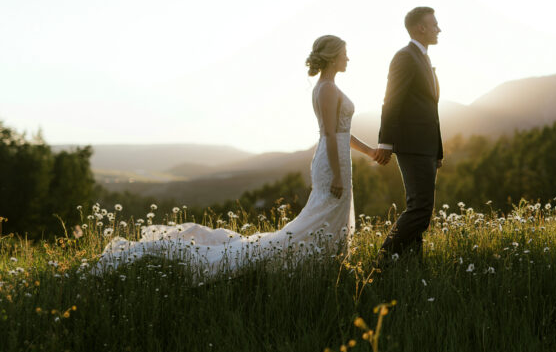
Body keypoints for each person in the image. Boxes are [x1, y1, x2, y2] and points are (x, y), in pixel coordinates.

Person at [93, 35, 375, 277]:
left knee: (330, 211)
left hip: (338, 157)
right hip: (332, 161)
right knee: (321, 213)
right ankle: (307, 260)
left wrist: (370, 151)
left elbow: (343, 133)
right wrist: (337, 174)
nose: (348, 59)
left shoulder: (331, 88)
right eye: (344, 54)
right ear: (332, 57)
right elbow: (328, 134)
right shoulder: (326, 89)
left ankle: (328, 261)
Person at [374, 6, 443, 262]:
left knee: (422, 209)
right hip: (412, 145)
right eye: (434, 24)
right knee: (420, 209)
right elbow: (391, 100)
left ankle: (412, 266)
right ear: (420, 28)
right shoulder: (405, 57)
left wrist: (438, 150)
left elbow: (432, 111)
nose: (439, 29)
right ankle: (381, 262)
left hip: (426, 147)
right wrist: (385, 142)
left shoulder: (423, 58)